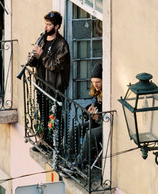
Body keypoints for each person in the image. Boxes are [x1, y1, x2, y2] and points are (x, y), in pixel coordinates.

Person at [20, 11, 71, 147]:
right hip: (41, 84)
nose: (46, 27)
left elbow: (55, 65)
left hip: (54, 87)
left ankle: (56, 146)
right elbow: (39, 62)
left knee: (54, 118)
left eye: (49, 25)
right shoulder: (42, 40)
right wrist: (31, 59)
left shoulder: (62, 45)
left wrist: (41, 55)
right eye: (46, 24)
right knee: (43, 116)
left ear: (57, 26)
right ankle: (44, 142)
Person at [78, 62, 104, 173]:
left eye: (98, 82)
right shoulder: (97, 94)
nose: (95, 85)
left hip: (106, 126)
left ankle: (79, 164)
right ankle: (71, 158)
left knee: (89, 134)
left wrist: (97, 118)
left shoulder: (107, 94)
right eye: (93, 82)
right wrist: (89, 112)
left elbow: (106, 119)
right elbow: (94, 106)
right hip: (96, 123)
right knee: (76, 129)